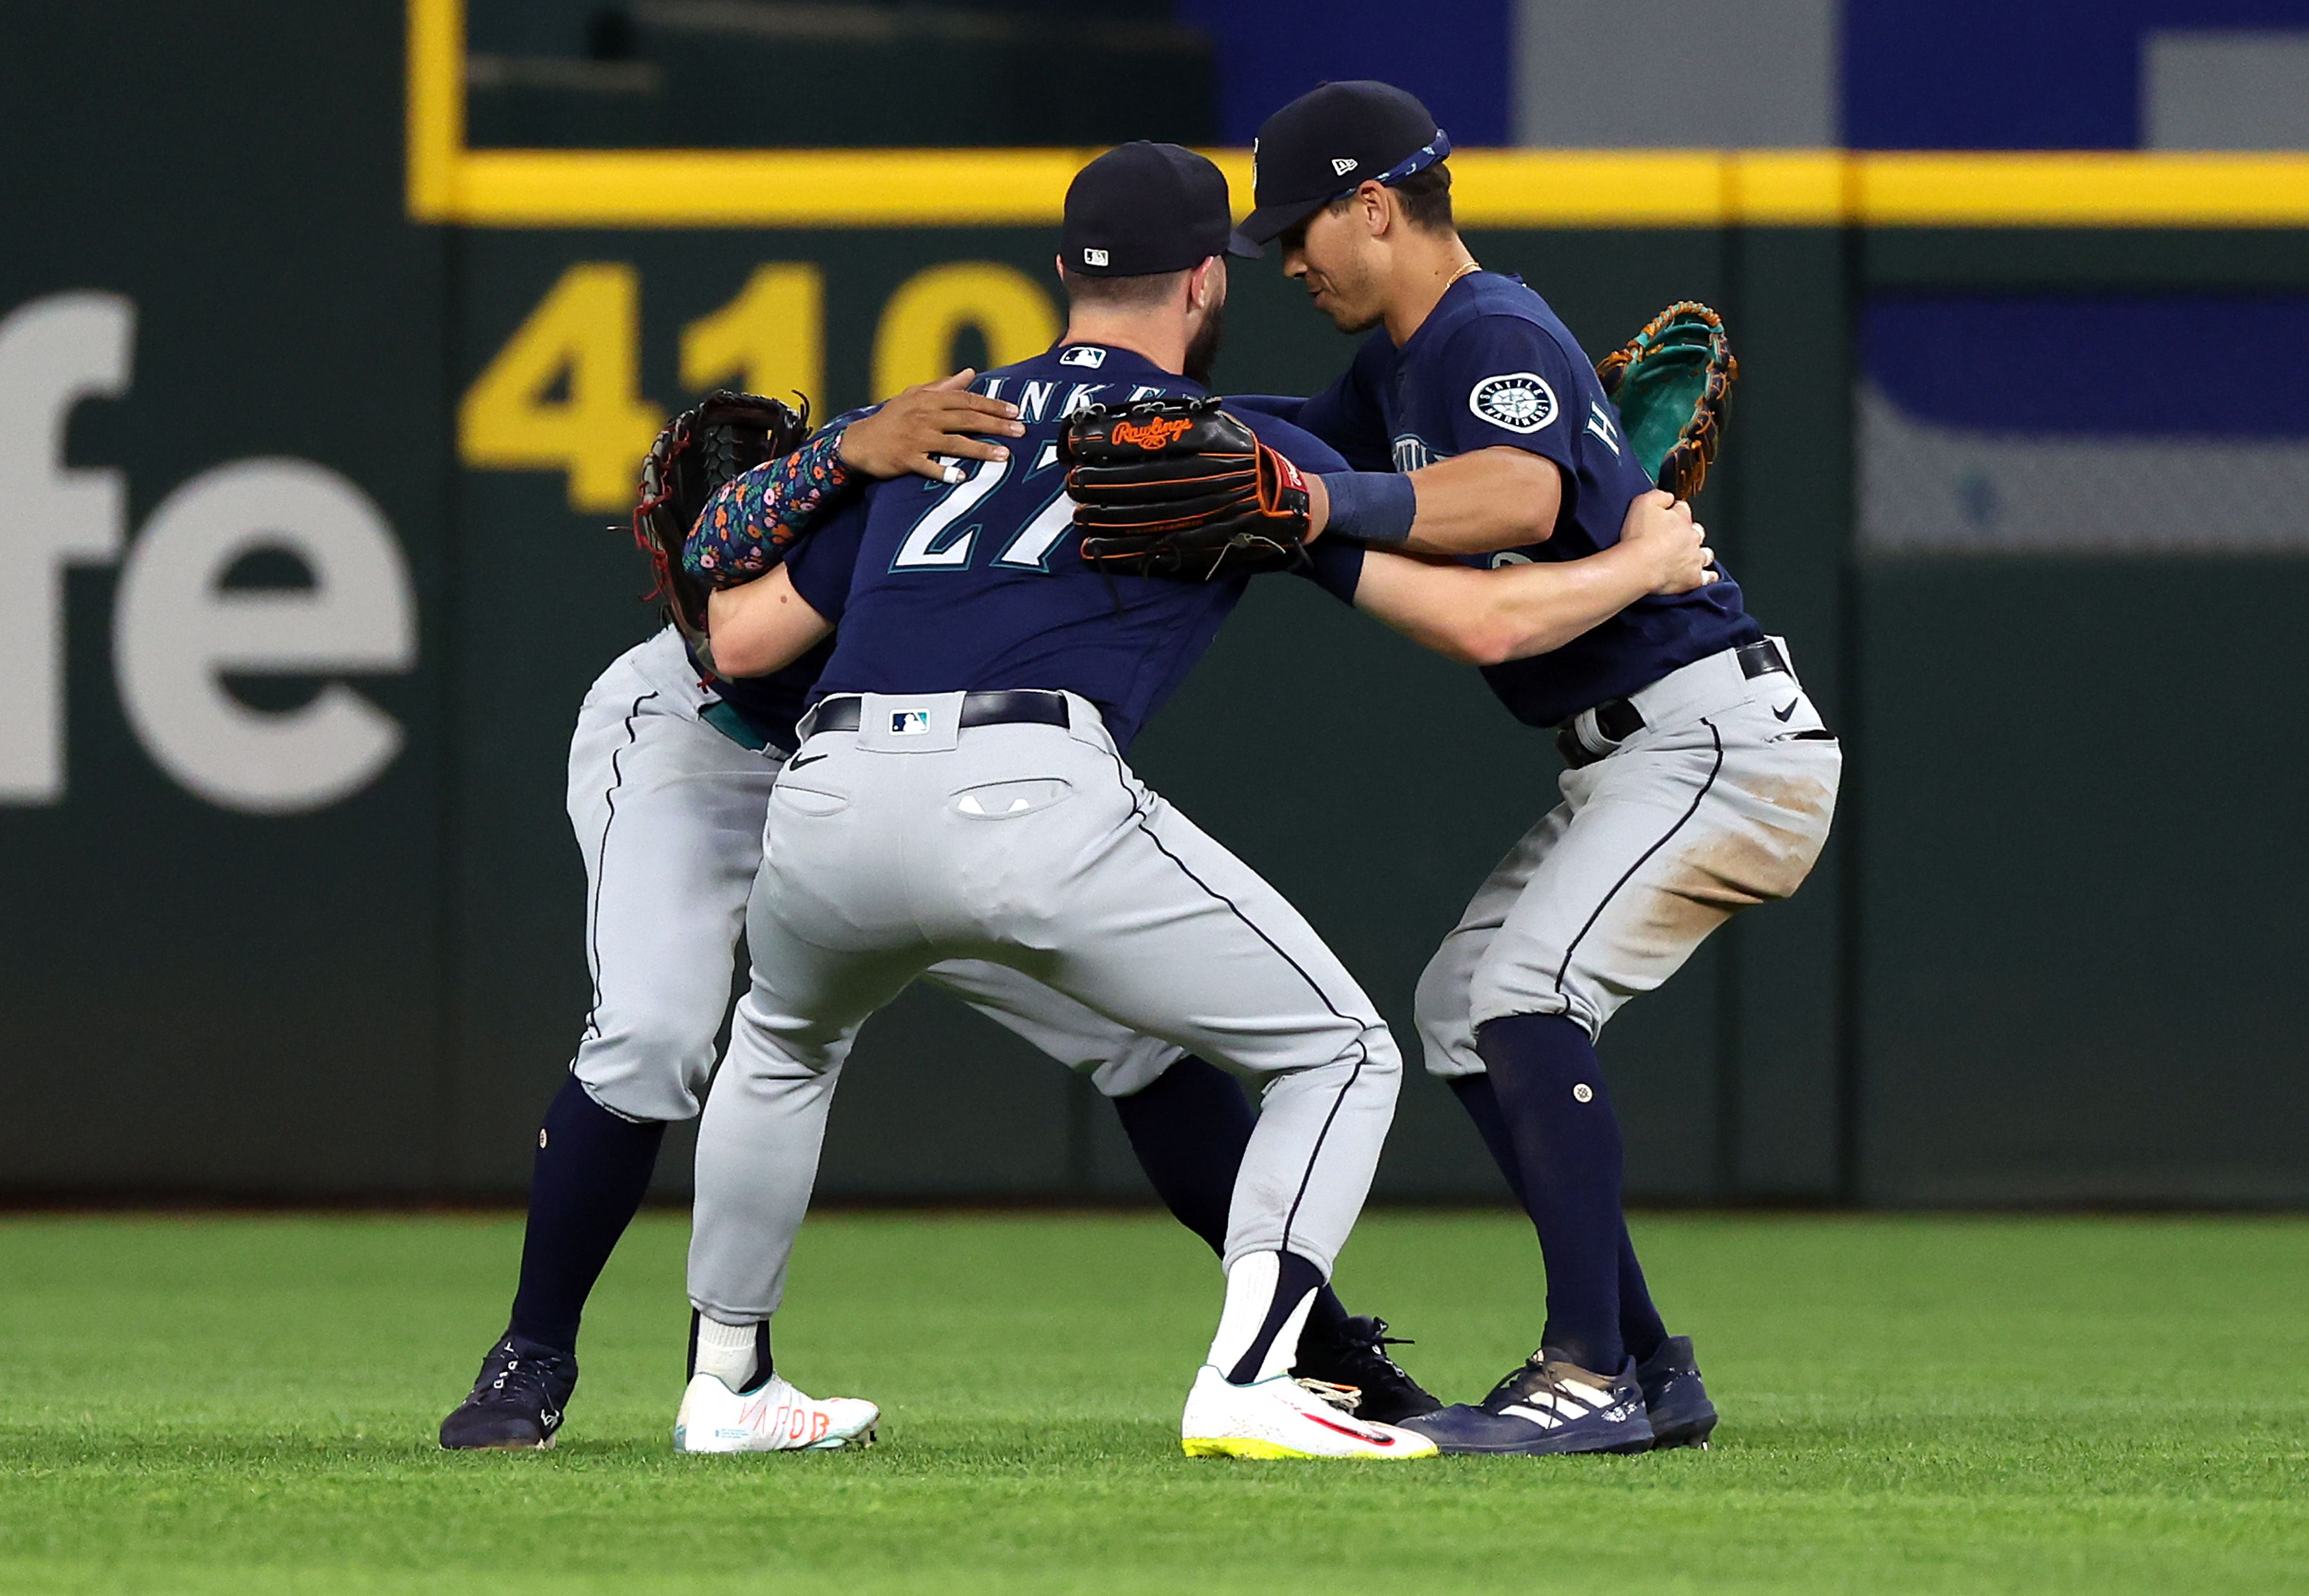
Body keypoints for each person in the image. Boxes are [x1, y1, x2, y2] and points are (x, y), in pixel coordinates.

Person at [671, 140, 1718, 1459]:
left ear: (1064, 274)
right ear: (1205, 286)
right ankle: (1254, 1373)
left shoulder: (938, 423)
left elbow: (745, 637)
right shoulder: (1222, 448)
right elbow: (1478, 616)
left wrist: (839, 462)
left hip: (826, 794)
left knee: (779, 1047)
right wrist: (1630, 551)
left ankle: (727, 1387)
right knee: (1340, 1053)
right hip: (1025, 787)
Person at [435, 373, 1444, 1450]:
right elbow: (734, 635)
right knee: (654, 1035)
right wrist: (837, 456)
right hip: (699, 746)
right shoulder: (840, 482)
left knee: (1137, 1037)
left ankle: (1316, 1345)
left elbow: (1257, 418)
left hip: (878, 777)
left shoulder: (946, 475)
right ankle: (534, 1353)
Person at [1229, 81, 1844, 1456]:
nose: (1286, 262)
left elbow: (1517, 492)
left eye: (1297, 230)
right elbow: (1295, 433)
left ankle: (1583, 1371)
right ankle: (1647, 1363)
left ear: (1371, 208)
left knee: (1522, 992)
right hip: (1638, 751)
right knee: (1460, 1003)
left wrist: (1311, 502)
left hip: (1716, 741)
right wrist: (1150, 422)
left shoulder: (1485, 331)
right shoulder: (1400, 364)